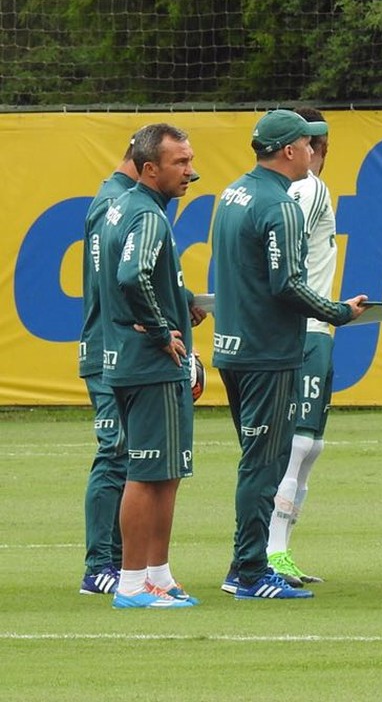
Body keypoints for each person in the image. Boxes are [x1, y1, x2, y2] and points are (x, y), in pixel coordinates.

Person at [213, 109, 367, 601]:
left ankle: (249, 564)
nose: (313, 152)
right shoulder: (278, 204)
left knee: (258, 459)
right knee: (265, 462)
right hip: (268, 350)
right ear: (289, 151)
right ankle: (250, 572)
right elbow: (286, 285)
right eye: (306, 144)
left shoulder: (233, 192)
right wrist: (338, 311)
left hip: (233, 344)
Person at [97, 123, 200, 609]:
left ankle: (156, 574)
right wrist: (161, 330)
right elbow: (131, 275)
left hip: (127, 357)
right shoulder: (147, 215)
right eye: (180, 163)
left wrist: (178, 301)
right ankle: (133, 583)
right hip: (149, 364)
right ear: (149, 167)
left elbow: (132, 277)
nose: (191, 172)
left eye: (189, 160)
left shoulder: (119, 207)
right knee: (145, 472)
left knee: (163, 472)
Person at [265, 107, 337, 587]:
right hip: (305, 327)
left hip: (316, 328)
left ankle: (281, 550)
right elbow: (282, 247)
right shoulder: (307, 188)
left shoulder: (303, 187)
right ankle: (273, 552)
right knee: (299, 443)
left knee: (309, 445)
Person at [77, 135, 139, 595]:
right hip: (107, 349)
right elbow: (113, 279)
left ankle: (118, 560)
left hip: (118, 347)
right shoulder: (114, 203)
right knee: (114, 452)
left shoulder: (117, 199)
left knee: (128, 454)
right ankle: (99, 564)